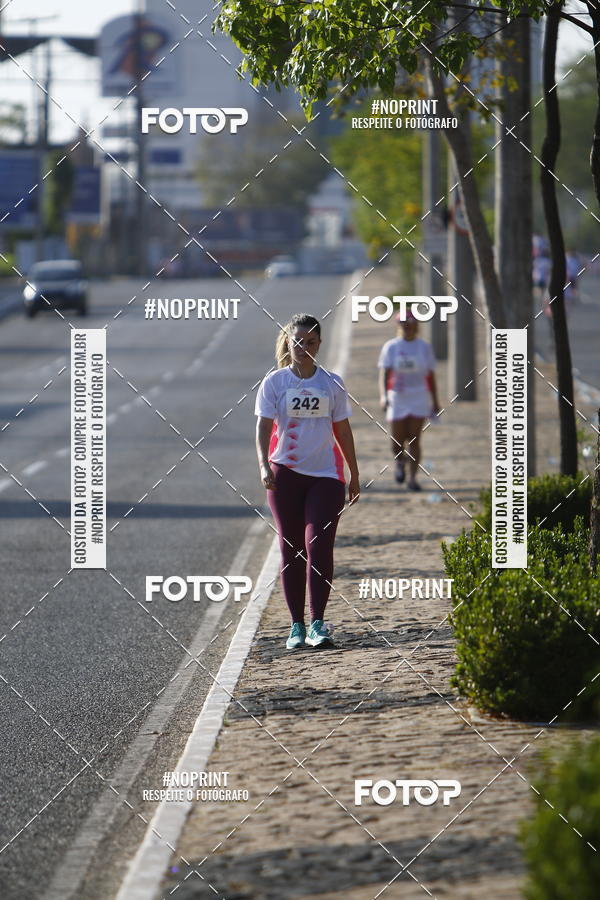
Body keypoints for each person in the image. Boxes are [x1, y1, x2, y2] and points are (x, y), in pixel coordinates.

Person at [255, 313, 360, 651]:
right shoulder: (274, 382)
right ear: (288, 342)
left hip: (326, 476)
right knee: (292, 548)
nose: (303, 347)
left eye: (310, 342)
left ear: (319, 345)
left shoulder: (332, 383)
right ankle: (296, 625)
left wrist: (354, 473)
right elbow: (262, 429)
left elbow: (342, 429)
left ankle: (318, 622)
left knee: (318, 543)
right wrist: (263, 466)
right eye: (297, 341)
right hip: (284, 474)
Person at [378, 310, 440, 490]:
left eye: (410, 323)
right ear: (399, 326)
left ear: (416, 325)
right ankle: (399, 462)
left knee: (414, 440)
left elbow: (430, 376)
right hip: (397, 396)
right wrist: (383, 396)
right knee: (397, 442)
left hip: (418, 396)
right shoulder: (391, 347)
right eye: (403, 323)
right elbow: (384, 373)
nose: (407, 326)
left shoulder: (424, 347)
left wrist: (435, 401)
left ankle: (412, 479)